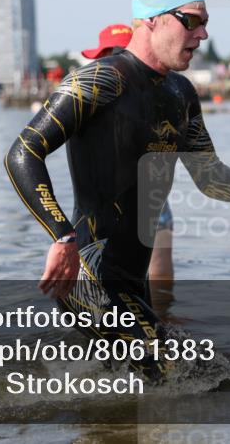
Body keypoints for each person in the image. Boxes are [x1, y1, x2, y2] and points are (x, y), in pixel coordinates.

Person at [5, 0, 230, 381]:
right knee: (188, 378)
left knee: (182, 383)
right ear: (152, 20)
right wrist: (61, 236)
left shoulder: (181, 94)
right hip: (91, 274)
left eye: (206, 23)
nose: (202, 35)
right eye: (192, 20)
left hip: (133, 280)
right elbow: (23, 152)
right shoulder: (97, 82)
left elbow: (209, 176)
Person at [81, 23, 175, 287]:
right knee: (160, 289)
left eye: (102, 58)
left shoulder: (97, 95)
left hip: (111, 210)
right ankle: (164, 320)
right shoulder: (161, 92)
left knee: (105, 296)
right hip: (153, 202)